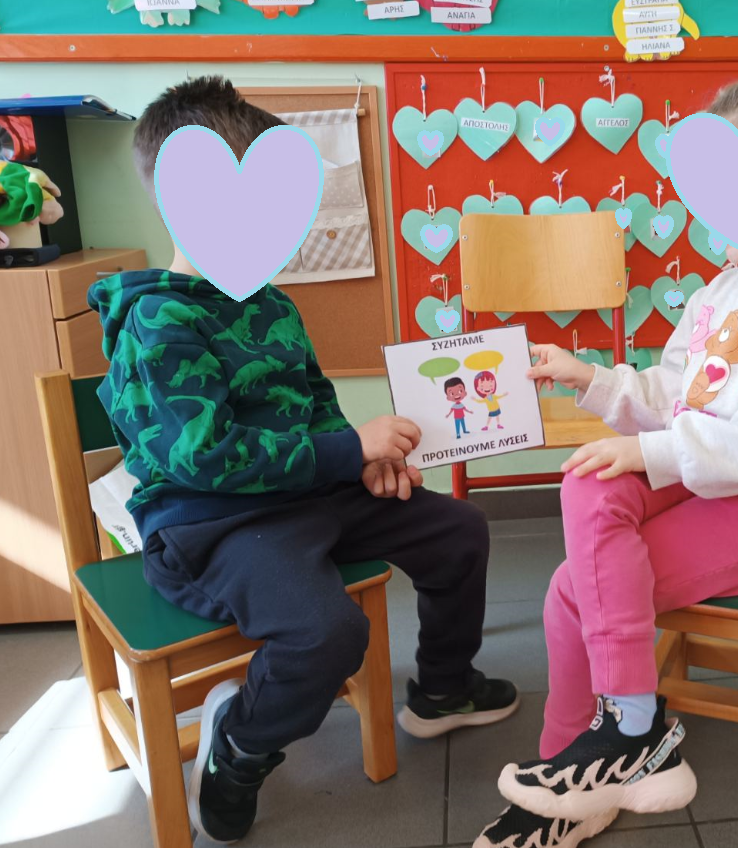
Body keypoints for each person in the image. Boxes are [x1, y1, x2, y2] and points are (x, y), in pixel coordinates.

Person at [474, 56, 738, 847]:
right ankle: (608, 751)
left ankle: (603, 753)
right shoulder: (722, 290)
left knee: (573, 591)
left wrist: (654, 455)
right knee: (587, 481)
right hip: (701, 482)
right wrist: (590, 379)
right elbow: (675, 393)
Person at [87, 76, 518, 845]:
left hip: (308, 497)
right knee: (326, 635)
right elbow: (204, 457)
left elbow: (316, 405)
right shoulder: (157, 320)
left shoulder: (271, 304)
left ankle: (443, 689)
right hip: (213, 527)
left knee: (459, 530)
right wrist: (347, 449)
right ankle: (241, 745)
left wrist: (362, 462)